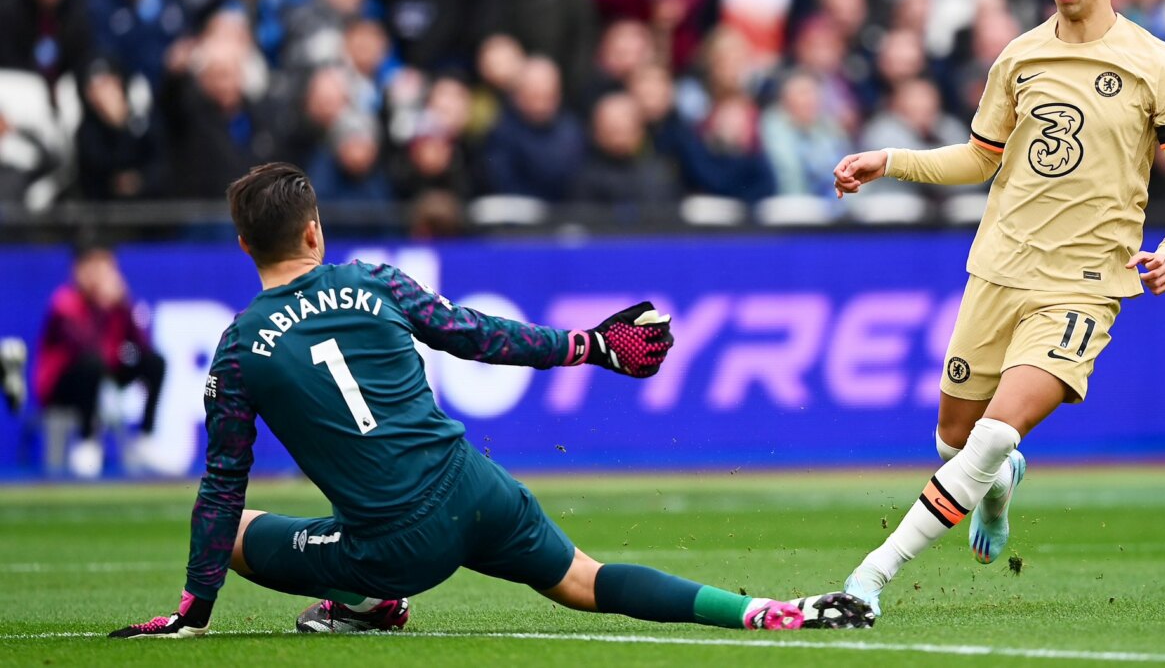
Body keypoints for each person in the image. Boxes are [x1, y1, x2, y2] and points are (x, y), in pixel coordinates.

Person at [110, 163, 868, 639]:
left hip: (396, 546)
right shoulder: (376, 279)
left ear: (244, 245)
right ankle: (760, 610)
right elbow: (474, 335)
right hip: (475, 485)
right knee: (584, 579)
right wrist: (590, 345)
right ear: (315, 230)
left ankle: (370, 599)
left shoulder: (240, 345)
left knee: (241, 529)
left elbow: (223, 480)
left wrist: (193, 609)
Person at [831, 0, 1165, 618]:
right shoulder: (1020, 56)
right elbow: (979, 159)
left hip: (1082, 287)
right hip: (998, 271)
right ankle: (1002, 482)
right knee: (956, 441)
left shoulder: (1152, 63)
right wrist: (891, 159)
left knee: (995, 431)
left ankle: (869, 577)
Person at [34, 245, 166, 478]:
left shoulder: (117, 304)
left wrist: (124, 304)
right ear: (79, 270)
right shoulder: (65, 302)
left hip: (105, 372)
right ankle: (87, 443)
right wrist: (102, 308)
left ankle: (145, 439)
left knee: (154, 362)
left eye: (106, 267)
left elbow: (139, 345)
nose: (101, 274)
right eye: (94, 267)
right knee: (91, 364)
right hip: (63, 383)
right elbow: (84, 346)